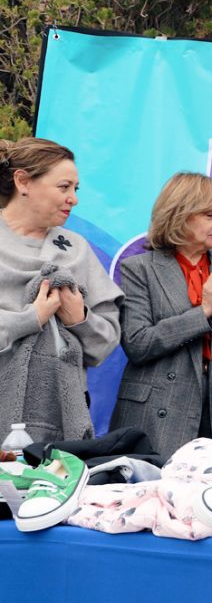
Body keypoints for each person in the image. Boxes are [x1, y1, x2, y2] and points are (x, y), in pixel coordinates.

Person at [110, 172, 212, 459]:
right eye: (209, 215)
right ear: (179, 215)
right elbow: (138, 344)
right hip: (160, 410)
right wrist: (202, 313)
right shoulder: (140, 268)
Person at [0, 137, 122, 441]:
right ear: (23, 182)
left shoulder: (76, 250)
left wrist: (80, 318)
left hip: (60, 422)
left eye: (75, 189)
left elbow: (105, 343)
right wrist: (30, 318)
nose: (73, 199)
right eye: (64, 187)